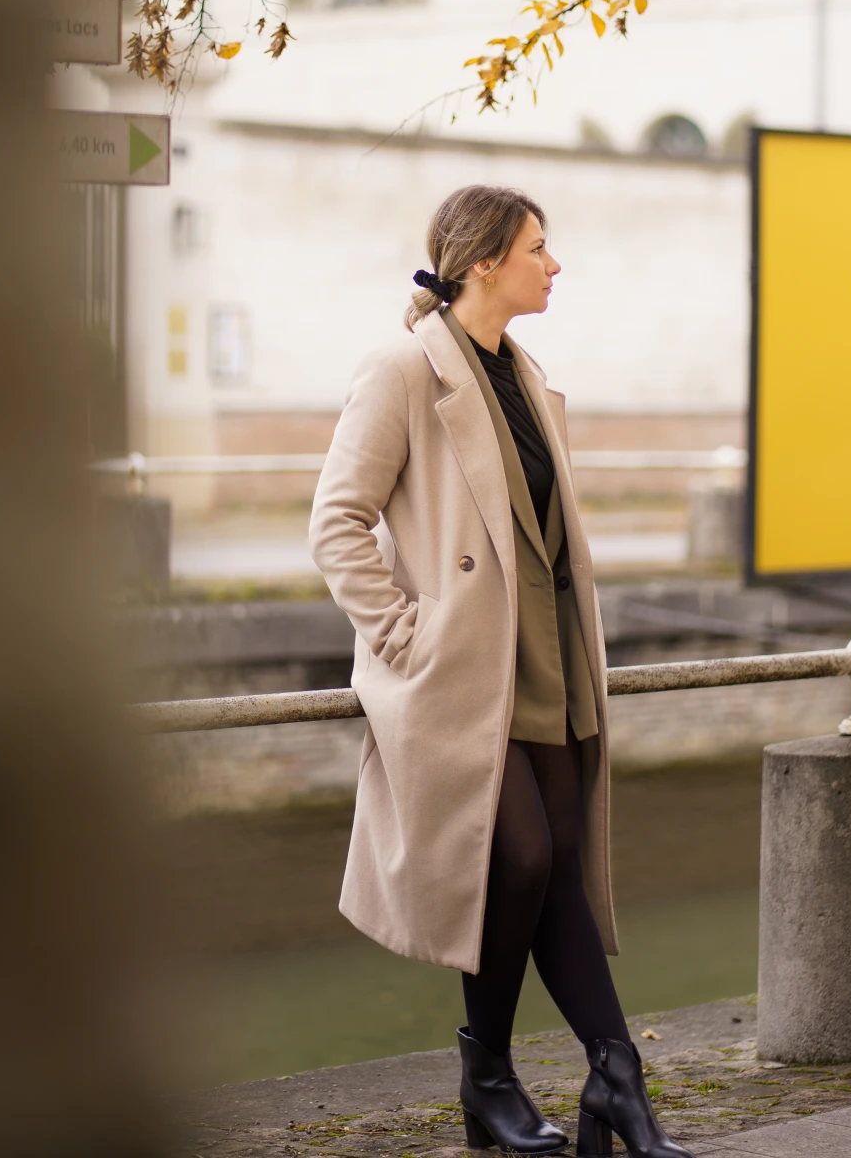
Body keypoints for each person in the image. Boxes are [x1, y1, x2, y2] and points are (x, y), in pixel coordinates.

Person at [310, 184, 693, 1158]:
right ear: (483, 262)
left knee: (552, 869)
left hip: (544, 658)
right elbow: (337, 523)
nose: (553, 264)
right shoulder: (402, 371)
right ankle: (493, 1074)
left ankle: (611, 1081)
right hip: (459, 671)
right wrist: (405, 636)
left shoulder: (523, 374)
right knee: (517, 858)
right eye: (538, 247)